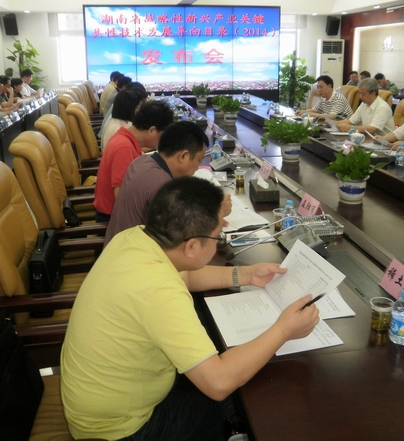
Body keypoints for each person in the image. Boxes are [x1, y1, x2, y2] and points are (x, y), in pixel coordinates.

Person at [61, 177, 319, 441]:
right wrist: (283, 330)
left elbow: (184, 274)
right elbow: (218, 382)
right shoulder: (158, 289)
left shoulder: (135, 238)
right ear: (192, 246)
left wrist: (245, 275)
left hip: (99, 399)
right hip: (119, 429)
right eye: (217, 237)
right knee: (229, 404)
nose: (218, 241)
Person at [104, 120, 211, 245]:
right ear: (184, 156)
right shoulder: (162, 186)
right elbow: (181, 236)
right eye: (198, 161)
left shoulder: (141, 161)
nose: (197, 168)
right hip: (132, 253)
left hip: (116, 247)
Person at [93, 100, 174, 222]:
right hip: (112, 220)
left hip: (116, 214)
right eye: (162, 136)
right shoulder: (124, 148)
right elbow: (121, 198)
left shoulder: (124, 138)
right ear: (152, 130)